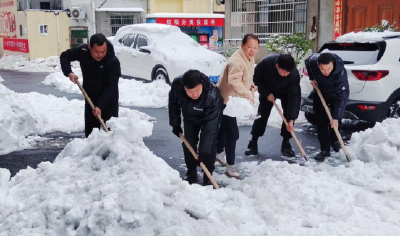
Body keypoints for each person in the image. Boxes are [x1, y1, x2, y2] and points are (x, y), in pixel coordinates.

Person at [169, 70, 223, 186]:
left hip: (210, 118)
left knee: (209, 145)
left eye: (197, 90)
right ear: (184, 87)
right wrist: (175, 124)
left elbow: (209, 129)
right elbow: (173, 104)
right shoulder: (177, 85)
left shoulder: (212, 95)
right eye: (190, 91)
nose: (194, 94)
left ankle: (208, 175)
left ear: (202, 84)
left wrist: (203, 152)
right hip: (190, 118)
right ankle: (191, 171)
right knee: (189, 143)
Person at [216, 34, 259, 179]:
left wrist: (250, 85)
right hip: (226, 101)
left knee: (224, 129)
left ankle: (218, 152)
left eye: (255, 48)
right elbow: (234, 81)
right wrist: (247, 94)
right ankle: (230, 166)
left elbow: (244, 77)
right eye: (249, 47)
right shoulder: (237, 61)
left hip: (231, 100)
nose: (252, 51)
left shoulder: (247, 58)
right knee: (233, 133)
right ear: (242, 46)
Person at [60, 33, 121, 138]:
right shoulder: (83, 52)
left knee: (111, 136)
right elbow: (65, 56)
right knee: (91, 136)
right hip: (90, 99)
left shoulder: (112, 62)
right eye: (97, 52)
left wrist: (100, 106)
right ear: (90, 47)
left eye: (103, 51)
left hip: (108, 101)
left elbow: (111, 86)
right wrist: (69, 72)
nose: (100, 55)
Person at [245, 54, 301, 157]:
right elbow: (257, 79)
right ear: (277, 66)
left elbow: (294, 96)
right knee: (262, 115)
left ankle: (286, 143)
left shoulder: (293, 74)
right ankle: (253, 142)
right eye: (283, 71)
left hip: (286, 92)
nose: (286, 74)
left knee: (288, 117)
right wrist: (266, 93)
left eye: (288, 72)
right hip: (268, 89)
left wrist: (292, 119)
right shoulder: (265, 63)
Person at [305, 52, 350, 161]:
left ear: (333, 64)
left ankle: (335, 141)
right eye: (323, 69)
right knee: (320, 121)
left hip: (336, 95)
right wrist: (312, 78)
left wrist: (336, 118)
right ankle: (324, 149)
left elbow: (342, 96)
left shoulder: (340, 74)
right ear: (318, 65)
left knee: (335, 121)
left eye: (329, 69)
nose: (326, 72)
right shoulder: (313, 61)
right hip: (320, 93)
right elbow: (308, 61)